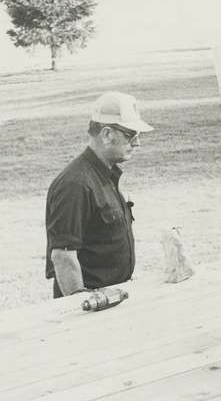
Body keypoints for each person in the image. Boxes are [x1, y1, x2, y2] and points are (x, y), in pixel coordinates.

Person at [44, 92, 153, 298]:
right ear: (107, 134)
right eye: (131, 135)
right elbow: (63, 256)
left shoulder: (106, 175)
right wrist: (81, 307)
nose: (137, 143)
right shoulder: (74, 184)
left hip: (112, 297)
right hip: (92, 306)